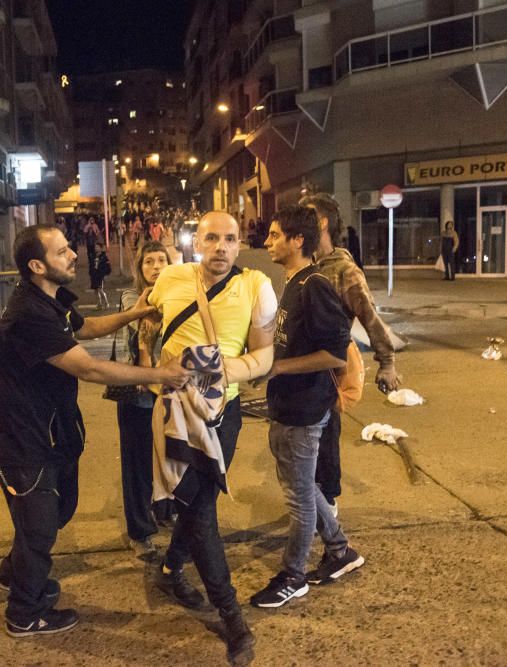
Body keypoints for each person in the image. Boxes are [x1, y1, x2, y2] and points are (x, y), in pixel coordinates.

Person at [0, 224, 188, 638]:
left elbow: (85, 328)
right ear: (37, 265)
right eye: (62, 251)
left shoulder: (52, 299)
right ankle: (25, 614)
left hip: (52, 433)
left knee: (51, 515)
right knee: (40, 526)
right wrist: (159, 374)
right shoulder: (29, 313)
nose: (74, 255)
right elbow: (89, 366)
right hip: (25, 441)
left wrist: (135, 313)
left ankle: (14, 572)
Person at [146, 211, 278, 666]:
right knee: (199, 506)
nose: (221, 247)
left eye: (230, 239)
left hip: (226, 412)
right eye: (212, 238)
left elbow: (264, 354)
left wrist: (225, 370)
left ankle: (168, 570)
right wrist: (152, 375)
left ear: (240, 245)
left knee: (198, 501)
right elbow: (148, 326)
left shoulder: (257, 286)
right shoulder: (170, 278)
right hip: (175, 411)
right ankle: (231, 616)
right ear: (196, 243)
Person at [252, 205, 364, 609]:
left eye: (275, 235)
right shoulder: (293, 282)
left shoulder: (314, 284)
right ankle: (340, 551)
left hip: (305, 408)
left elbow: (335, 354)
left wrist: (277, 366)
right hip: (286, 404)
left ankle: (293, 575)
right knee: (305, 488)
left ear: (298, 240)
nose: (268, 242)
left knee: (298, 498)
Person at [300, 192, 401, 513]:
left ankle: (327, 508)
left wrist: (387, 363)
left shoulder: (345, 271)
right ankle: (313, 502)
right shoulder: (309, 266)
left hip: (330, 371)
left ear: (323, 222)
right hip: (306, 370)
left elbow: (371, 319)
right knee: (308, 442)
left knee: (325, 439)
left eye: (307, 217)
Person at [117, 241, 178, 561]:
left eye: (162, 260)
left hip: (169, 392)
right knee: (138, 466)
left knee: (168, 458)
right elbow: (139, 323)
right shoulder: (132, 298)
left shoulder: (179, 295)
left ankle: (165, 511)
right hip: (138, 393)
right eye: (149, 262)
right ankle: (139, 532)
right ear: (139, 270)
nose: (156, 267)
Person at [89, 242, 112, 309]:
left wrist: (105, 274)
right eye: (95, 247)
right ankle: (99, 304)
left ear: (101, 248)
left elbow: (108, 267)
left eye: (97, 247)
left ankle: (106, 303)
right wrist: (90, 273)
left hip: (100, 275)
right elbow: (91, 265)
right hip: (94, 275)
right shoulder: (93, 256)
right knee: (95, 290)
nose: (96, 248)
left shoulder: (104, 257)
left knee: (100, 289)